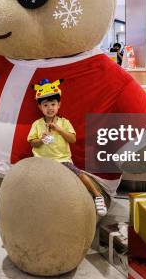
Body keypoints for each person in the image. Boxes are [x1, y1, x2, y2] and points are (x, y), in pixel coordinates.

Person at [27, 79, 107, 216]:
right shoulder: (37, 124)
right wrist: (40, 140)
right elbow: (31, 142)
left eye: (53, 104)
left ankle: (97, 196)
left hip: (62, 160)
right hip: (41, 162)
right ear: (40, 107)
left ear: (59, 105)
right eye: (45, 105)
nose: (50, 108)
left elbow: (72, 139)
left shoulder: (64, 122)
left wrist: (58, 129)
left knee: (79, 174)